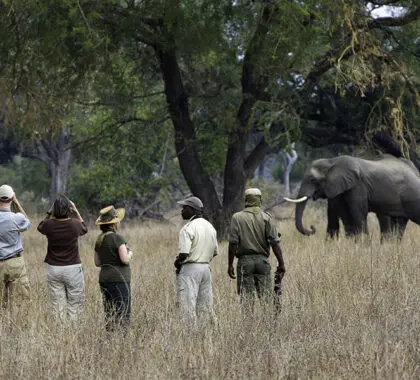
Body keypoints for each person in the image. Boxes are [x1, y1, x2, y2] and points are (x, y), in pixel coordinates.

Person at [228, 188, 286, 306]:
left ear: (245, 200)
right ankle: (268, 322)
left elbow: (233, 243)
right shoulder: (267, 218)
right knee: (267, 299)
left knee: (246, 301)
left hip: (244, 262)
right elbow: (275, 243)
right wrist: (281, 263)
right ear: (260, 200)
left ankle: (248, 323)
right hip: (262, 262)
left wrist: (230, 264)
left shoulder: (237, 217)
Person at [37, 195, 88, 321]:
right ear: (68, 208)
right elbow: (84, 228)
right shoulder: (75, 224)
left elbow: (40, 226)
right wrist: (76, 211)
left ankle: (60, 334)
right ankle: (72, 334)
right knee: (75, 304)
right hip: (72, 269)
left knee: (57, 305)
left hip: (53, 269)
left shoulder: (49, 225)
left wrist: (49, 212)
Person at [174, 196, 219, 326]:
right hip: (206, 269)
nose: (181, 211)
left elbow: (184, 253)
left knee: (188, 305)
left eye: (184, 208)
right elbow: (215, 251)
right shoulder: (210, 226)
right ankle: (205, 334)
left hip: (190, 269)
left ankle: (189, 336)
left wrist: (177, 262)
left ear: (191, 210)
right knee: (205, 306)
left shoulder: (188, 228)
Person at [94, 205, 132, 330]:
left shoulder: (99, 240)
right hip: (119, 279)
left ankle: (110, 336)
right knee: (123, 311)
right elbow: (125, 260)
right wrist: (130, 253)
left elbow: (97, 262)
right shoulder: (118, 238)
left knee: (109, 312)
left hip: (104, 280)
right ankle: (122, 339)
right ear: (114, 224)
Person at [0, 184, 31, 307]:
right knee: (19, 302)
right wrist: (16, 203)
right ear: (12, 197)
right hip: (15, 261)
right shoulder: (17, 218)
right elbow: (27, 222)